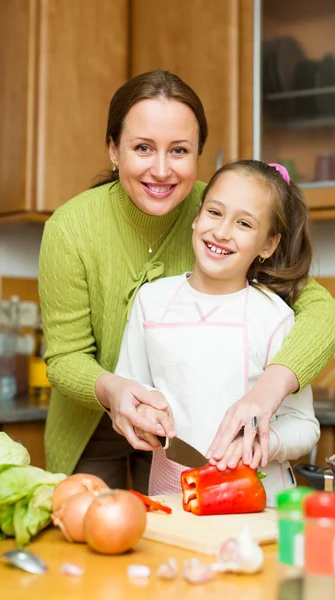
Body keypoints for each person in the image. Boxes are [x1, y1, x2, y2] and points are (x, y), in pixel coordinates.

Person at [39, 70, 335, 491]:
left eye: (179, 150)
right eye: (143, 147)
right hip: (91, 424)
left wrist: (268, 390)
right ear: (113, 150)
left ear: (199, 153)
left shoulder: (218, 206)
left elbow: (321, 312)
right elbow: (64, 357)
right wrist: (113, 390)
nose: (162, 170)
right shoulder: (70, 229)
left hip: (183, 440)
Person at [114, 159, 320, 503]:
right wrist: (143, 416)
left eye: (243, 223)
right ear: (196, 217)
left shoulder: (274, 318)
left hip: (258, 505)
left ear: (268, 245)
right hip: (173, 500)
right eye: (214, 213)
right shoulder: (151, 302)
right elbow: (130, 388)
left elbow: (305, 425)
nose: (222, 232)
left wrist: (263, 444)